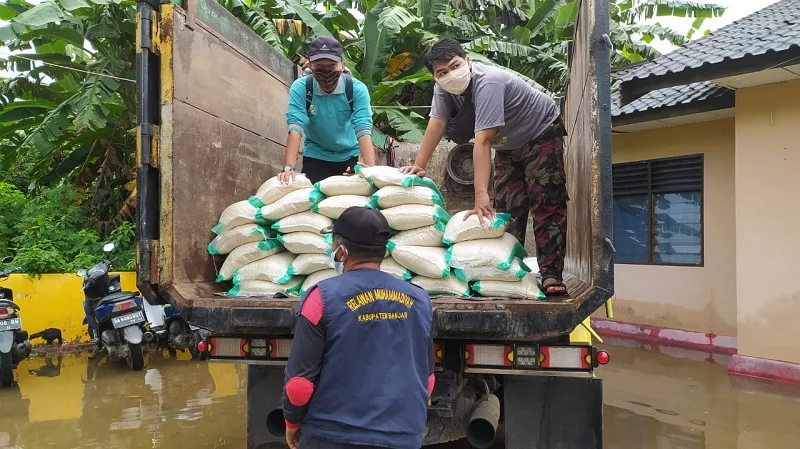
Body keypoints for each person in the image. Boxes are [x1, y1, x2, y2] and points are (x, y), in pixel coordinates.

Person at [400, 38, 569, 296]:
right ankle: (510, 271)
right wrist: (418, 166)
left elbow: (483, 142)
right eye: (441, 72)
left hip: (540, 132)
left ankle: (551, 274)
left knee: (546, 202)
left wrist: (480, 194)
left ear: (467, 60)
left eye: (454, 65)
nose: (449, 74)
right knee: (507, 211)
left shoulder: (488, 82)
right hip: (507, 144)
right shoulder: (443, 90)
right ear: (435, 77)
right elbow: (436, 124)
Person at [281, 206, 434, 449]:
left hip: (332, 437)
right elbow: (428, 380)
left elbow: (299, 386)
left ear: (342, 252)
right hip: (402, 438)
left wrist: (291, 424)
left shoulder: (320, 299)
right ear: (381, 253)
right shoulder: (420, 301)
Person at [279, 37, 376, 185]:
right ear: (310, 66)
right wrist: (288, 167)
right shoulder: (301, 88)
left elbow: (363, 130)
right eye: (319, 66)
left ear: (342, 65)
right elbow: (295, 127)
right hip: (316, 155)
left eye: (331, 66)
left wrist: (371, 172)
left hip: (349, 156)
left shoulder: (356, 90)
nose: (326, 72)